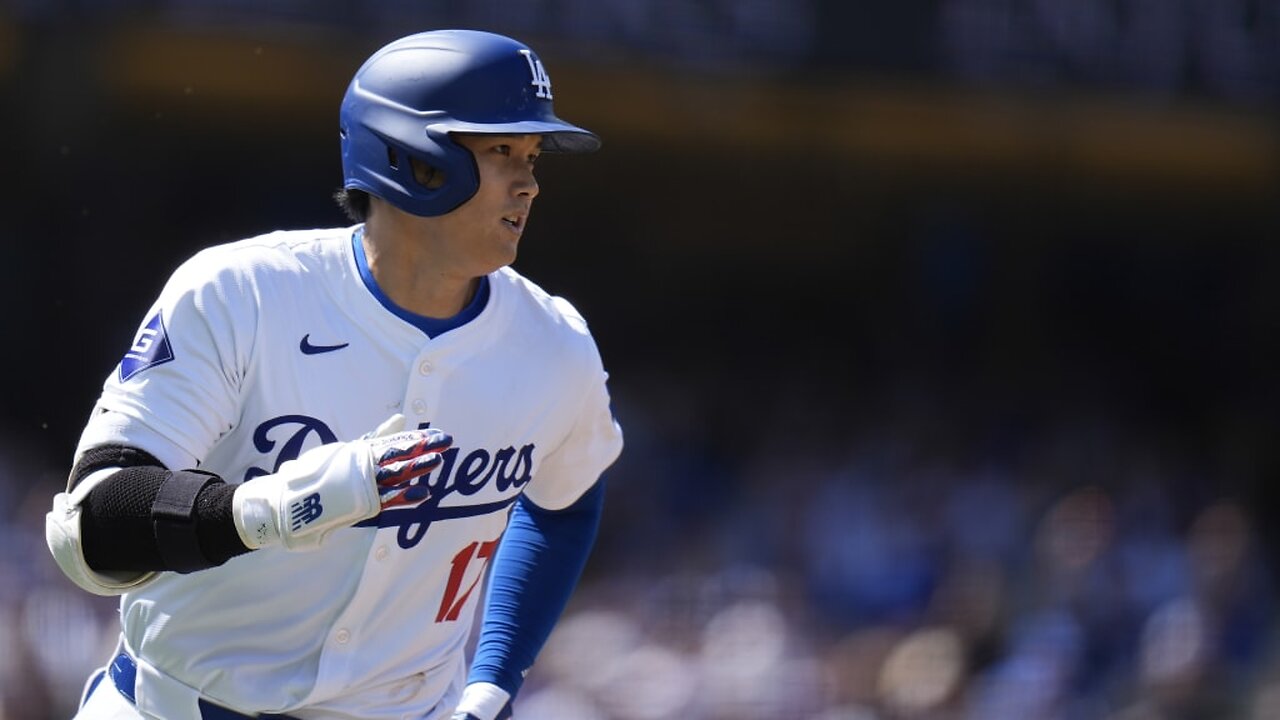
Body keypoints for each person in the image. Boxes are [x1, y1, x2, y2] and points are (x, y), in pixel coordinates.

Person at [45, 28, 623, 720]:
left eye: (531, 156)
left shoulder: (554, 343)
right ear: (413, 159)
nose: (529, 182)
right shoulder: (244, 292)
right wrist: (274, 511)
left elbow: (567, 503)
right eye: (501, 151)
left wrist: (494, 680)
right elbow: (89, 533)